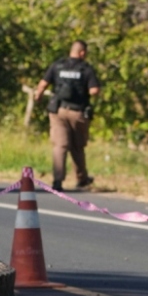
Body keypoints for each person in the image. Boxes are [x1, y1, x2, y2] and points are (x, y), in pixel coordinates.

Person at [33, 40, 100, 192]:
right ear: (82, 53)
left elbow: (43, 84)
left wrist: (38, 96)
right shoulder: (86, 69)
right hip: (78, 112)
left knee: (60, 145)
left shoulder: (58, 65)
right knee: (77, 146)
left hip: (58, 111)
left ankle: (57, 181)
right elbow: (94, 90)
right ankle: (82, 178)